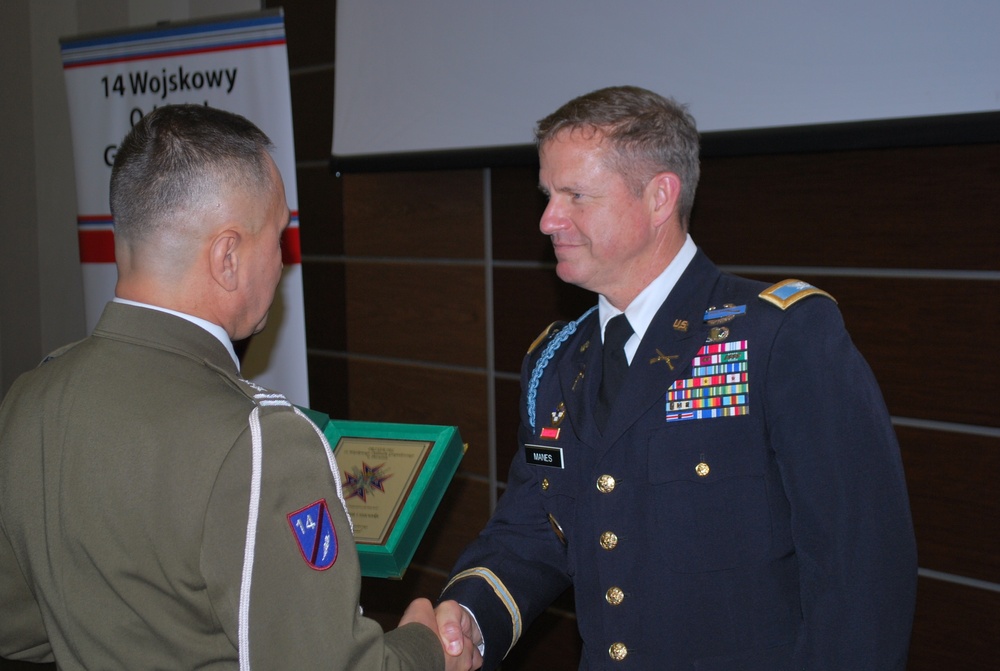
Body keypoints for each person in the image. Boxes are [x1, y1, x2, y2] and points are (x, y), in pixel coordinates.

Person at [440, 86, 917, 670]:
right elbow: (537, 527)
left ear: (660, 197)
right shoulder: (556, 362)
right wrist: (470, 617)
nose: (547, 220)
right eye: (547, 194)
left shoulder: (776, 339)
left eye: (576, 195)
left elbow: (859, 567)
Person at [0, 104, 480, 670]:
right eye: (279, 237)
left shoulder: (31, 396)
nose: (283, 262)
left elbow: (18, 628)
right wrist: (425, 645)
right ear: (227, 257)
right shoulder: (262, 443)